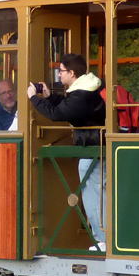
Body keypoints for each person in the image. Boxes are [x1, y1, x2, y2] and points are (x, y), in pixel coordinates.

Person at [27, 54, 107, 250]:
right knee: (100, 192)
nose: (59, 75)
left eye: (61, 71)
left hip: (91, 149)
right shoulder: (86, 90)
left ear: (72, 73)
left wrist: (33, 98)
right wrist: (49, 96)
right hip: (95, 147)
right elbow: (68, 107)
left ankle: (102, 240)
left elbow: (58, 114)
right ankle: (105, 238)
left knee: (93, 194)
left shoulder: (81, 95)